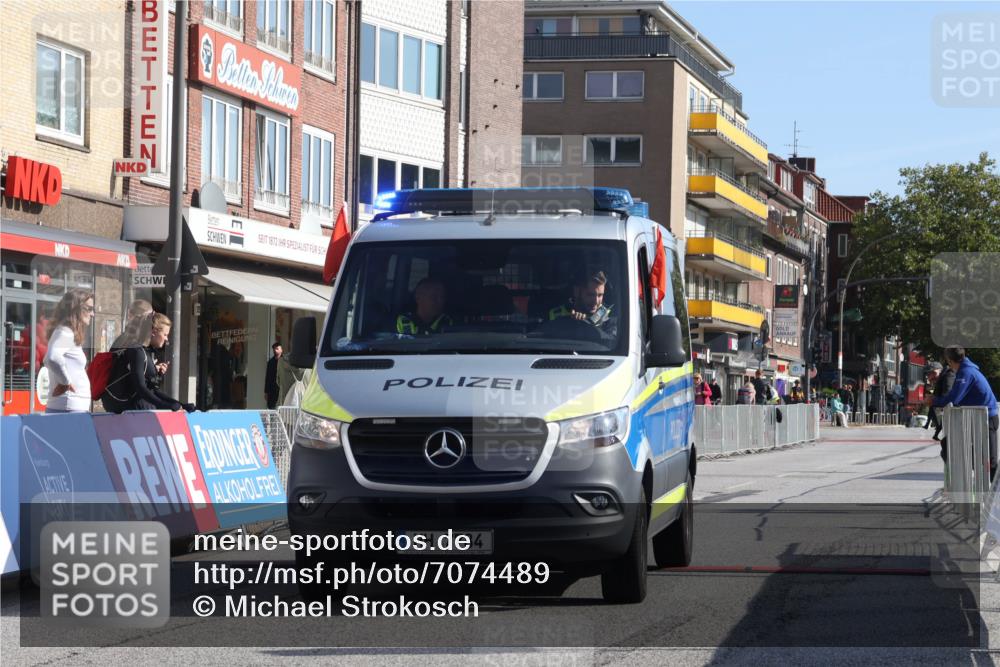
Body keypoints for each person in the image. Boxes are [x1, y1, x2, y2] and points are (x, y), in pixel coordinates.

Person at [102, 313, 195, 414]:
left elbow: (152, 390)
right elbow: (141, 388)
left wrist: (180, 404)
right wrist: (167, 406)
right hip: (130, 408)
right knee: (149, 407)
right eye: (165, 335)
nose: (166, 339)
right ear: (154, 332)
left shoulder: (146, 351)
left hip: (136, 407)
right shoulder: (137, 351)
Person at [930, 347, 999, 481]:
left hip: (986, 419)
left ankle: (989, 488)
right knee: (949, 446)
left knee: (990, 460)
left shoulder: (966, 373)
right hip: (980, 417)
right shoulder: (967, 370)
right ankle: (978, 480)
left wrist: (934, 400)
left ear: (949, 361)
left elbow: (954, 398)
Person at [42, 289, 94, 413]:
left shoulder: (67, 332)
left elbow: (50, 358)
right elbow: (51, 358)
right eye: (89, 309)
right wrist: (65, 382)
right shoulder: (66, 332)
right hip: (68, 406)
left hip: (69, 405)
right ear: (75, 308)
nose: (92, 314)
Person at [549, 270, 617, 337]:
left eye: (600, 295)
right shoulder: (556, 314)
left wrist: (586, 326)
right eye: (590, 295)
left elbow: (610, 342)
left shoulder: (608, 317)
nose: (596, 301)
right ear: (576, 292)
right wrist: (570, 323)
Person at [924, 361, 955, 463]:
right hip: (953, 417)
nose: (930, 377)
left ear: (939, 370)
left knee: (948, 448)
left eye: (932, 373)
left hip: (959, 417)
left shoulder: (948, 375)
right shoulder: (943, 377)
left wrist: (933, 400)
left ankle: (957, 473)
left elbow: (948, 397)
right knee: (946, 447)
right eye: (929, 374)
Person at [265, 342, 282, 409]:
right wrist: (266, 391)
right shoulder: (271, 362)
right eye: (274, 349)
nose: (275, 351)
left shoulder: (284, 361)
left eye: (277, 349)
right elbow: (267, 377)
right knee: (271, 407)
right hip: (272, 389)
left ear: (281, 350)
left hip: (281, 389)